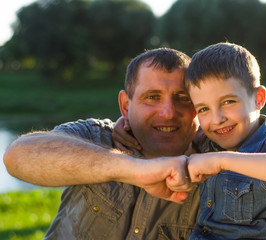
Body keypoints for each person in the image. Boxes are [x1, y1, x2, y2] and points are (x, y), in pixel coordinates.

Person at [113, 43, 266, 239]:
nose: (217, 119)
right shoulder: (211, 141)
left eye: (228, 102)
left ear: (258, 99)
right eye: (203, 109)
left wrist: (222, 161)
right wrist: (126, 123)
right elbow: (169, 132)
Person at [3, 48, 201, 239]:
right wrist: (136, 170)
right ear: (125, 106)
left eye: (183, 98)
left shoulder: (218, 167)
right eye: (152, 97)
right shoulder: (95, 136)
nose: (168, 112)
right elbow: (16, 156)